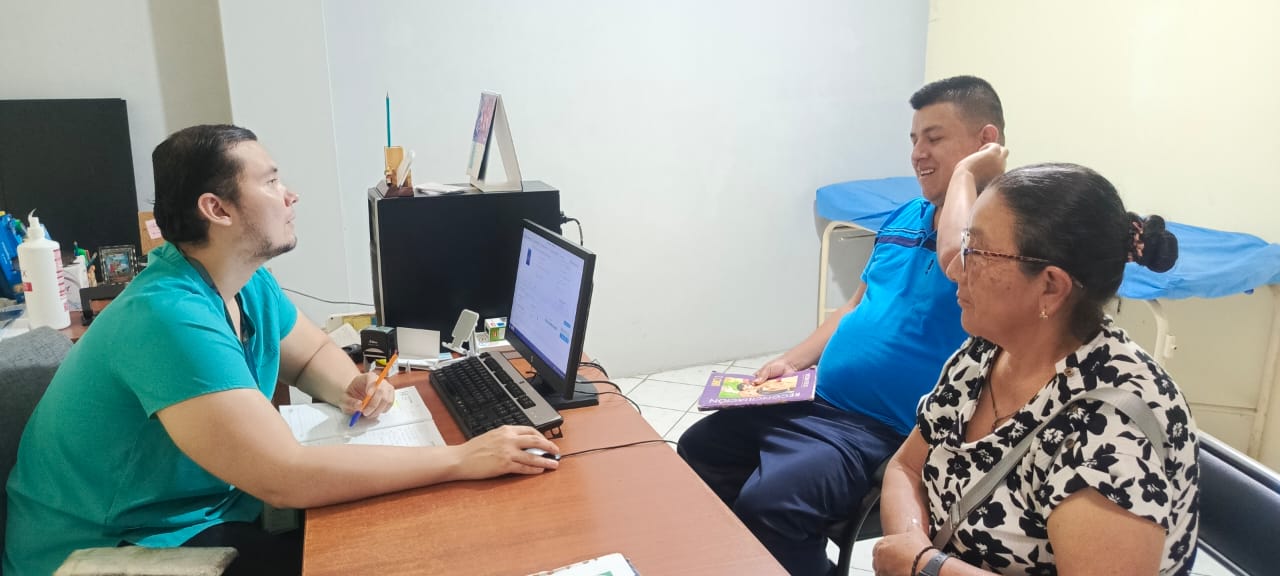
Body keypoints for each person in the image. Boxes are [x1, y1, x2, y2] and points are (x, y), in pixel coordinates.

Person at [3, 125, 560, 576]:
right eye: (270, 182)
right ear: (217, 210)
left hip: (195, 515)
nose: (291, 195)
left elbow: (311, 353)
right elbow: (284, 477)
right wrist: (461, 460)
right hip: (111, 551)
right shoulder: (167, 316)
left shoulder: (241, 279)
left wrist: (352, 386)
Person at [678, 76, 1005, 575]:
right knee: (698, 450)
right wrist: (790, 362)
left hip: (878, 429)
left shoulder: (998, 236)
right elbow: (854, 307)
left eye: (934, 138)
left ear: (985, 142)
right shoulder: (905, 216)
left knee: (772, 503)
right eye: (913, 139)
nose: (917, 153)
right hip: (813, 400)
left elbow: (956, 255)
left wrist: (968, 177)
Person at [873, 159, 1197, 575]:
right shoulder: (986, 353)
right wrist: (912, 541)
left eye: (977, 252)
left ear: (1050, 286)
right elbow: (906, 467)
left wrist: (926, 565)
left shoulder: (1111, 429)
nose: (954, 270)